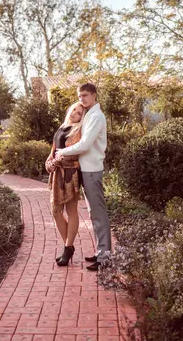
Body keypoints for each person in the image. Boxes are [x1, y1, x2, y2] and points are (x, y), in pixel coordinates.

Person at [55, 83, 110, 271]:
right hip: (85, 169)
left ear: (94, 95)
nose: (82, 99)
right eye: (80, 96)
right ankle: (100, 252)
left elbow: (85, 144)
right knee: (93, 213)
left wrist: (62, 152)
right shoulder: (88, 114)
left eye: (85, 95)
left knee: (98, 212)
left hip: (92, 169)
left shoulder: (96, 116)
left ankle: (105, 256)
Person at [45, 102, 86, 266]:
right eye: (74, 109)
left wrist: (57, 161)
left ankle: (67, 248)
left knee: (71, 210)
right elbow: (53, 151)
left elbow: (75, 152)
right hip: (56, 174)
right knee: (55, 211)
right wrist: (48, 163)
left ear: (82, 118)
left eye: (79, 113)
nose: (75, 113)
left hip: (70, 174)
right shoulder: (62, 127)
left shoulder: (78, 130)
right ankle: (68, 247)